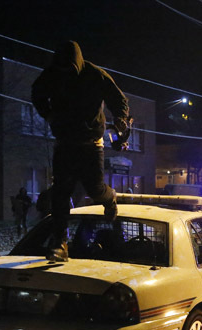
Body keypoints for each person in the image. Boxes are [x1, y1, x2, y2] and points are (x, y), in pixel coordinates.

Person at [31, 40, 129, 261]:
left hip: (91, 142)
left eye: (70, 70)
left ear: (77, 64)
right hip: (64, 141)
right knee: (61, 191)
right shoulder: (52, 74)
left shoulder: (95, 75)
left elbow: (118, 98)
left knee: (94, 189)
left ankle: (109, 197)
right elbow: (37, 93)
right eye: (62, 70)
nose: (66, 74)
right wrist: (48, 114)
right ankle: (60, 243)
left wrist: (120, 118)